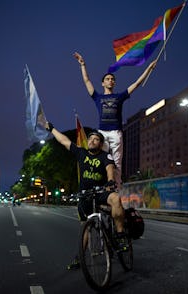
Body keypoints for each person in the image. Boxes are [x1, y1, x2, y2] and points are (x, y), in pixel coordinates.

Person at [44, 121, 126, 270]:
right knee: (85, 228)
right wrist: (51, 129)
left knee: (115, 198)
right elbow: (64, 140)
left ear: (100, 144)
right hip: (85, 196)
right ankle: (80, 257)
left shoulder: (105, 156)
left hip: (101, 192)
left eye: (96, 139)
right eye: (90, 139)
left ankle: (120, 236)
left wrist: (110, 182)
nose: (92, 141)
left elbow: (110, 170)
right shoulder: (81, 153)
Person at [73, 52, 158, 188]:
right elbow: (87, 81)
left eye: (112, 79)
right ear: (103, 83)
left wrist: (148, 69)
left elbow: (136, 84)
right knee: (101, 160)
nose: (110, 80)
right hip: (102, 133)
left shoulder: (120, 97)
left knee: (117, 162)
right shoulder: (97, 97)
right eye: (107, 79)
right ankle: (102, 186)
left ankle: (116, 187)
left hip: (116, 133)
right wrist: (83, 65)